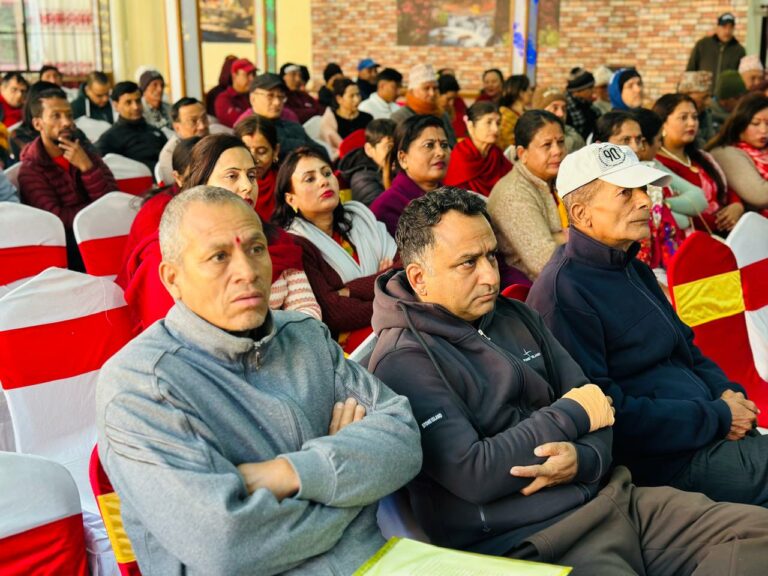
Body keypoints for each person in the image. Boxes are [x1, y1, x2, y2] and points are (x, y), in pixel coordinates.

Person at [373, 185, 768, 575]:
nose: (490, 276)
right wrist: (571, 415)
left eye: (491, 255)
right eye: (468, 263)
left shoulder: (516, 315)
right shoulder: (403, 360)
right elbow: (474, 472)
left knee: (758, 537)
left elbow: (602, 409)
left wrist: (583, 458)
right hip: (535, 541)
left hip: (616, 498)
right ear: (419, 278)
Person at [98, 185, 421, 575]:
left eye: (255, 249)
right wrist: (350, 481)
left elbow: (404, 440)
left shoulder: (304, 335)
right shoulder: (142, 385)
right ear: (172, 278)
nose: (247, 272)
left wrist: (289, 473)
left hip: (379, 565)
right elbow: (227, 545)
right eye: (219, 256)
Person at [527, 142, 768, 509]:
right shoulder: (563, 294)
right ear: (581, 213)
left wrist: (728, 395)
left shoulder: (633, 268)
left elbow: (688, 351)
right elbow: (607, 413)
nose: (644, 201)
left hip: (710, 431)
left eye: (642, 189)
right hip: (666, 465)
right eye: (626, 193)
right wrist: (718, 417)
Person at [117, 133, 321, 333]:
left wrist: (283, 344)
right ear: (202, 183)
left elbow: (306, 309)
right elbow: (180, 336)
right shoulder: (166, 252)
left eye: (251, 176)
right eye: (232, 176)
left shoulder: (276, 239)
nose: (247, 186)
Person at [274, 147, 397, 351]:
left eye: (326, 173)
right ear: (291, 199)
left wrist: (350, 290)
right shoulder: (295, 243)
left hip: (391, 320)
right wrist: (387, 286)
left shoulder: (360, 217)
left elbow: (404, 268)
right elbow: (335, 313)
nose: (324, 181)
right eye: (310, 179)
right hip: (348, 344)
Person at [18, 88, 117, 271]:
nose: (66, 122)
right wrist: (95, 210)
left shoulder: (86, 155)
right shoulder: (31, 170)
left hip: (102, 234)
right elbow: (56, 219)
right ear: (38, 124)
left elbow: (112, 201)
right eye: (56, 116)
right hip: (67, 251)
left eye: (69, 115)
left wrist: (87, 168)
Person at [595, 111, 683, 272]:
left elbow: (667, 237)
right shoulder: (593, 191)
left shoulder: (651, 180)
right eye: (626, 140)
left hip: (653, 271)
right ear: (601, 146)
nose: (636, 148)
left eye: (639, 140)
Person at [488, 110, 566, 281]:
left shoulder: (559, 180)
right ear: (522, 154)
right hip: (537, 286)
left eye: (560, 142)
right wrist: (576, 238)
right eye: (547, 145)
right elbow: (544, 261)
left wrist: (562, 237)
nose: (557, 151)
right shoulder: (513, 193)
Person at [653, 93, 744, 235]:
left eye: (695, 117)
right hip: (695, 236)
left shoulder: (702, 157)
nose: (692, 123)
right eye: (683, 117)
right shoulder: (657, 165)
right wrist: (717, 223)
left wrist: (737, 206)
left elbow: (725, 189)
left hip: (728, 232)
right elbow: (673, 208)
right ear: (663, 123)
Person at [371, 114, 449, 236]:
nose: (441, 153)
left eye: (444, 145)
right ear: (403, 158)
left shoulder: (453, 197)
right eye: (429, 145)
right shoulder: (387, 208)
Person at [633, 107, 708, 233]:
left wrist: (666, 204)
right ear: (644, 143)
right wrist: (676, 207)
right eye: (659, 140)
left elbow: (699, 198)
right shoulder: (636, 174)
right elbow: (682, 221)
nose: (660, 145)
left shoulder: (654, 165)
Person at [708, 92, 768, 212]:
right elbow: (760, 195)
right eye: (755, 123)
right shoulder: (726, 153)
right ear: (740, 123)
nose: (763, 130)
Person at [241, 73, 323, 160]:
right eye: (270, 96)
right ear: (253, 99)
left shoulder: (293, 126)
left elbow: (321, 150)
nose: (277, 102)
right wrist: (303, 145)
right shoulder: (246, 127)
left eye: (280, 96)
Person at [96, 81, 167, 172]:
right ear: (116, 106)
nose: (135, 107)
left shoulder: (156, 132)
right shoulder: (109, 139)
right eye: (128, 102)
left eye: (138, 101)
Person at [444, 101, 511, 196]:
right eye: (489, 122)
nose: (495, 129)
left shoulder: (496, 154)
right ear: (471, 126)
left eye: (498, 123)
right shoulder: (460, 155)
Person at [392, 64, 456, 147]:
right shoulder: (401, 117)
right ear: (412, 91)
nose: (432, 93)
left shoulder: (442, 115)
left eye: (435, 88)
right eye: (426, 88)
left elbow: (453, 145)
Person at [338, 118, 395, 206]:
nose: (397, 152)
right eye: (389, 147)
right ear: (369, 149)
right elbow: (381, 211)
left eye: (399, 145)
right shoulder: (362, 180)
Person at [234, 114, 280, 221]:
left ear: (275, 151)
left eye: (261, 151)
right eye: (246, 151)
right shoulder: (227, 187)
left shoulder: (287, 184)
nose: (253, 159)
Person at [156, 97, 210, 185]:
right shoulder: (169, 154)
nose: (202, 126)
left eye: (204, 118)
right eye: (193, 121)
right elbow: (177, 189)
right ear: (177, 127)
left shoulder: (216, 135)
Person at [687, 12, 746, 90]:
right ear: (718, 28)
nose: (727, 31)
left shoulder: (739, 50)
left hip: (726, 94)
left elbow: (742, 76)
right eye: (724, 27)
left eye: (730, 27)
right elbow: (690, 70)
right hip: (704, 93)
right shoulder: (702, 45)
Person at [319, 78, 373, 159]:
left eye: (358, 94)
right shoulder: (330, 121)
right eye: (352, 96)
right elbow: (330, 149)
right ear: (339, 99)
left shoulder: (367, 118)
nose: (357, 99)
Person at [534, 87, 585, 152]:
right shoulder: (531, 138)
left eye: (564, 109)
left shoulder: (573, 134)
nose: (561, 114)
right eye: (555, 108)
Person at [214, 57, 256, 127]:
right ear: (234, 76)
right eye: (247, 74)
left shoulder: (255, 95)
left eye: (254, 74)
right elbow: (240, 124)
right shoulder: (223, 99)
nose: (252, 78)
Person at [678, 70, 716, 146]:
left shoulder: (706, 114)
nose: (708, 102)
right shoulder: (673, 115)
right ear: (687, 95)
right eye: (704, 98)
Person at [497, 74, 534, 151]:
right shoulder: (505, 115)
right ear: (521, 93)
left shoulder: (527, 113)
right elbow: (507, 145)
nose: (531, 93)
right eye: (529, 89)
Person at [564, 67, 599, 141]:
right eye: (590, 88)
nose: (593, 91)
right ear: (578, 91)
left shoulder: (587, 104)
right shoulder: (565, 108)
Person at [711, 69, 748, 133]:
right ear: (723, 101)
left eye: (744, 96)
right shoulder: (708, 120)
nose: (742, 101)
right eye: (737, 98)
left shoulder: (744, 115)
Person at [437, 73, 468, 140]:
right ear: (437, 94)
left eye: (454, 99)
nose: (452, 103)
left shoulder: (458, 104)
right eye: (448, 99)